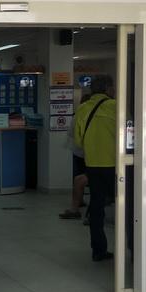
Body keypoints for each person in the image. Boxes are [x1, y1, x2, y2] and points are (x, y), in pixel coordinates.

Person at [73, 75, 116, 261]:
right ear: (108, 89)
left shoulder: (83, 108)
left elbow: (78, 139)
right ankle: (133, 249)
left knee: (97, 206)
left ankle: (98, 249)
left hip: (92, 164)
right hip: (115, 165)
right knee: (125, 206)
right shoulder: (116, 106)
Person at [59, 92, 91, 220]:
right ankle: (79, 201)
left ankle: (78, 203)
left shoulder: (80, 112)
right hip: (87, 153)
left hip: (80, 151)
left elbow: (73, 133)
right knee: (81, 177)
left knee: (79, 177)